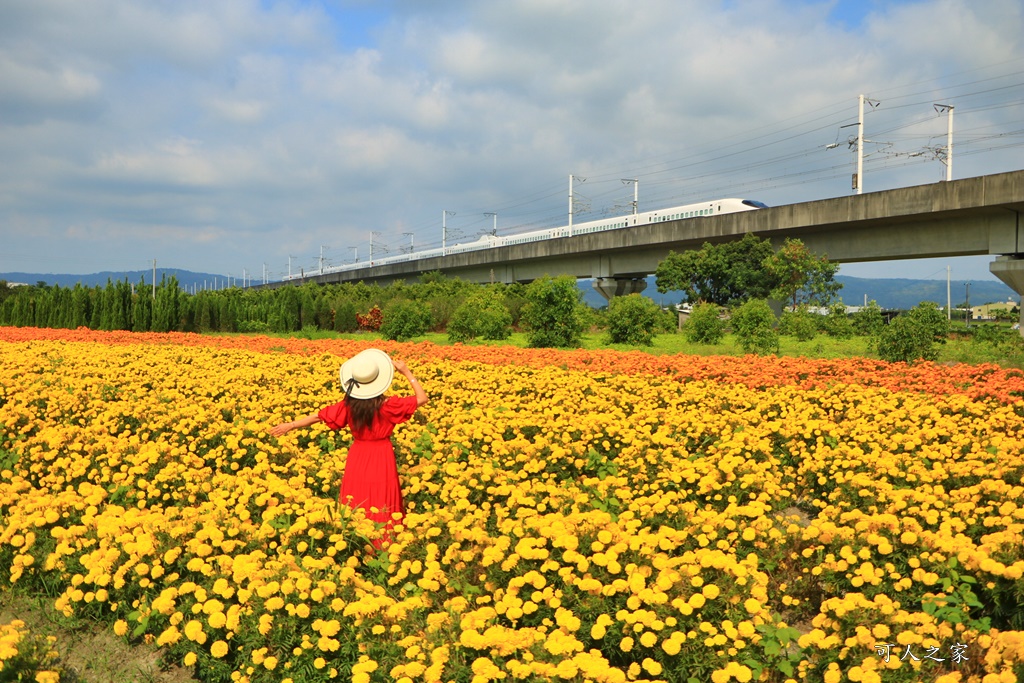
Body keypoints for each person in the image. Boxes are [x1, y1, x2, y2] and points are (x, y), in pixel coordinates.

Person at [269, 348, 428, 547]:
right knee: (381, 495)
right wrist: (407, 372)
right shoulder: (388, 405)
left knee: (358, 496)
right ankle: (385, 543)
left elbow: (318, 416)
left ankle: (356, 541)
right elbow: (422, 399)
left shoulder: (350, 405)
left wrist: (290, 425)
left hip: (358, 456)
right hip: (382, 455)